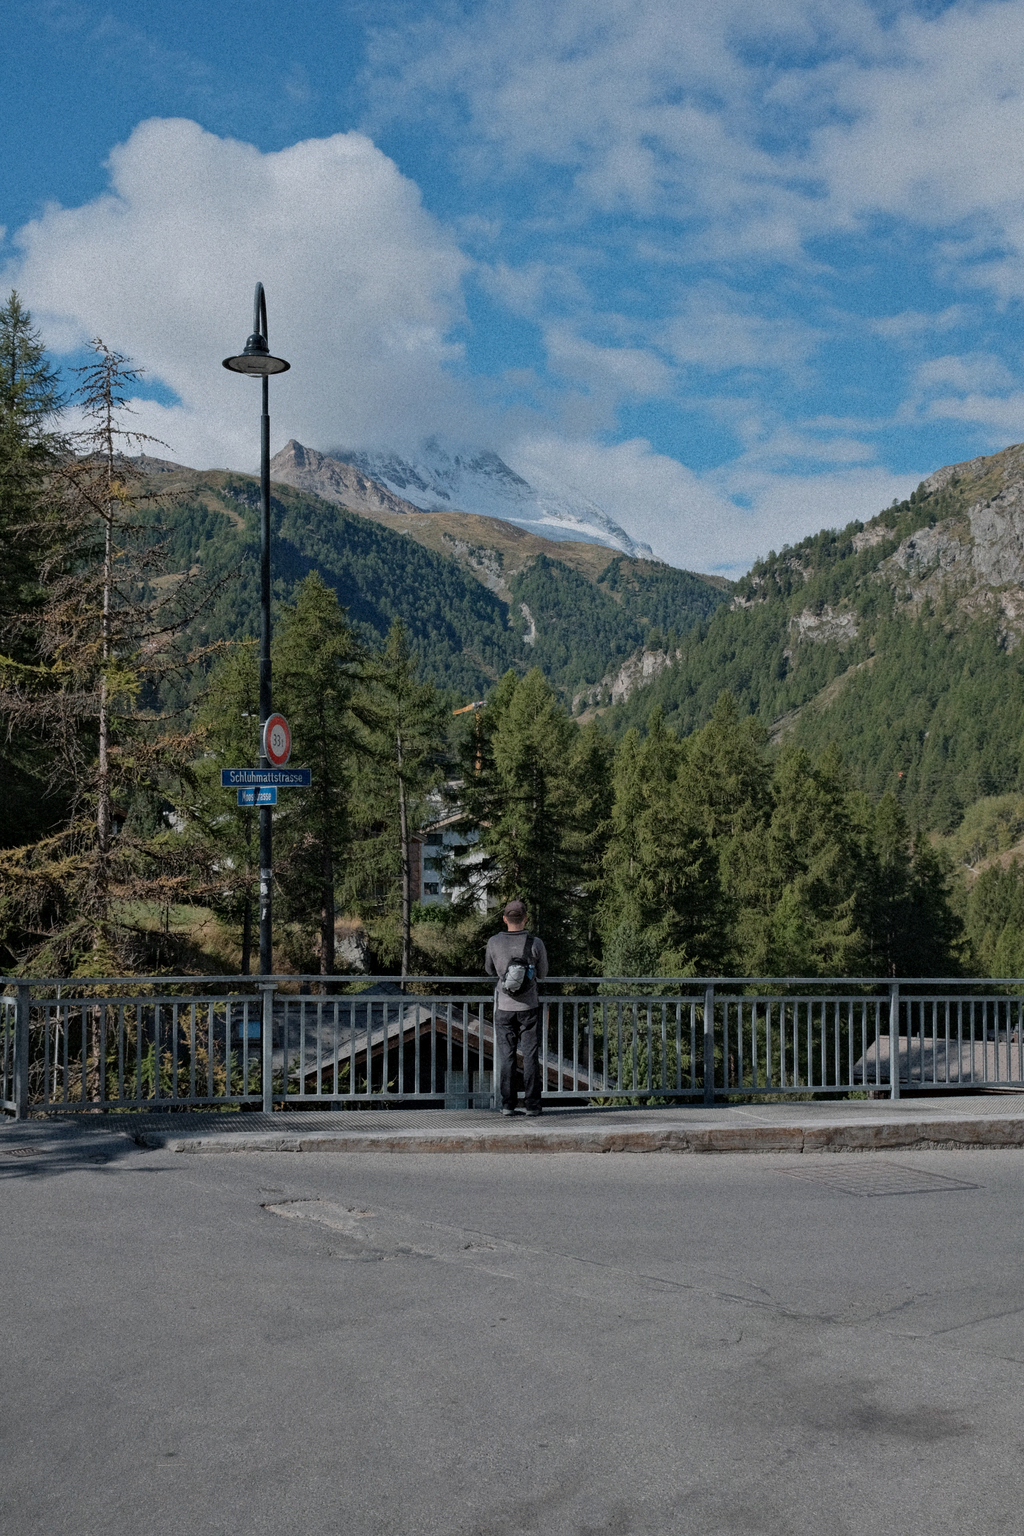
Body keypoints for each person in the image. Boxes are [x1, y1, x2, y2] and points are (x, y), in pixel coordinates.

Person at [484, 900, 549, 1117]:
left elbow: (489, 970)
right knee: (530, 1056)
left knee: (507, 1056)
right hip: (529, 1007)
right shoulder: (535, 942)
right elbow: (543, 974)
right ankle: (532, 1105)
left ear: (504, 919)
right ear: (525, 918)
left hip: (503, 1007)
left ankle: (507, 1105)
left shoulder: (494, 942)